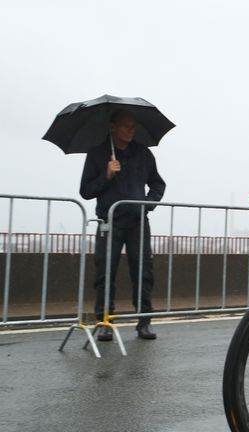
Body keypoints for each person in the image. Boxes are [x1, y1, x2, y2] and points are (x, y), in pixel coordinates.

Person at [80, 110, 166, 341]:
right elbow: (85, 191)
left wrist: (147, 205)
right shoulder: (97, 154)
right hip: (109, 223)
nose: (131, 130)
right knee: (105, 273)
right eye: (126, 126)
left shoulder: (143, 153)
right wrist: (106, 175)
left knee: (143, 272)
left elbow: (158, 184)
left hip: (137, 222)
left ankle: (144, 321)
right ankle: (105, 322)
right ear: (113, 127)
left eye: (133, 127)